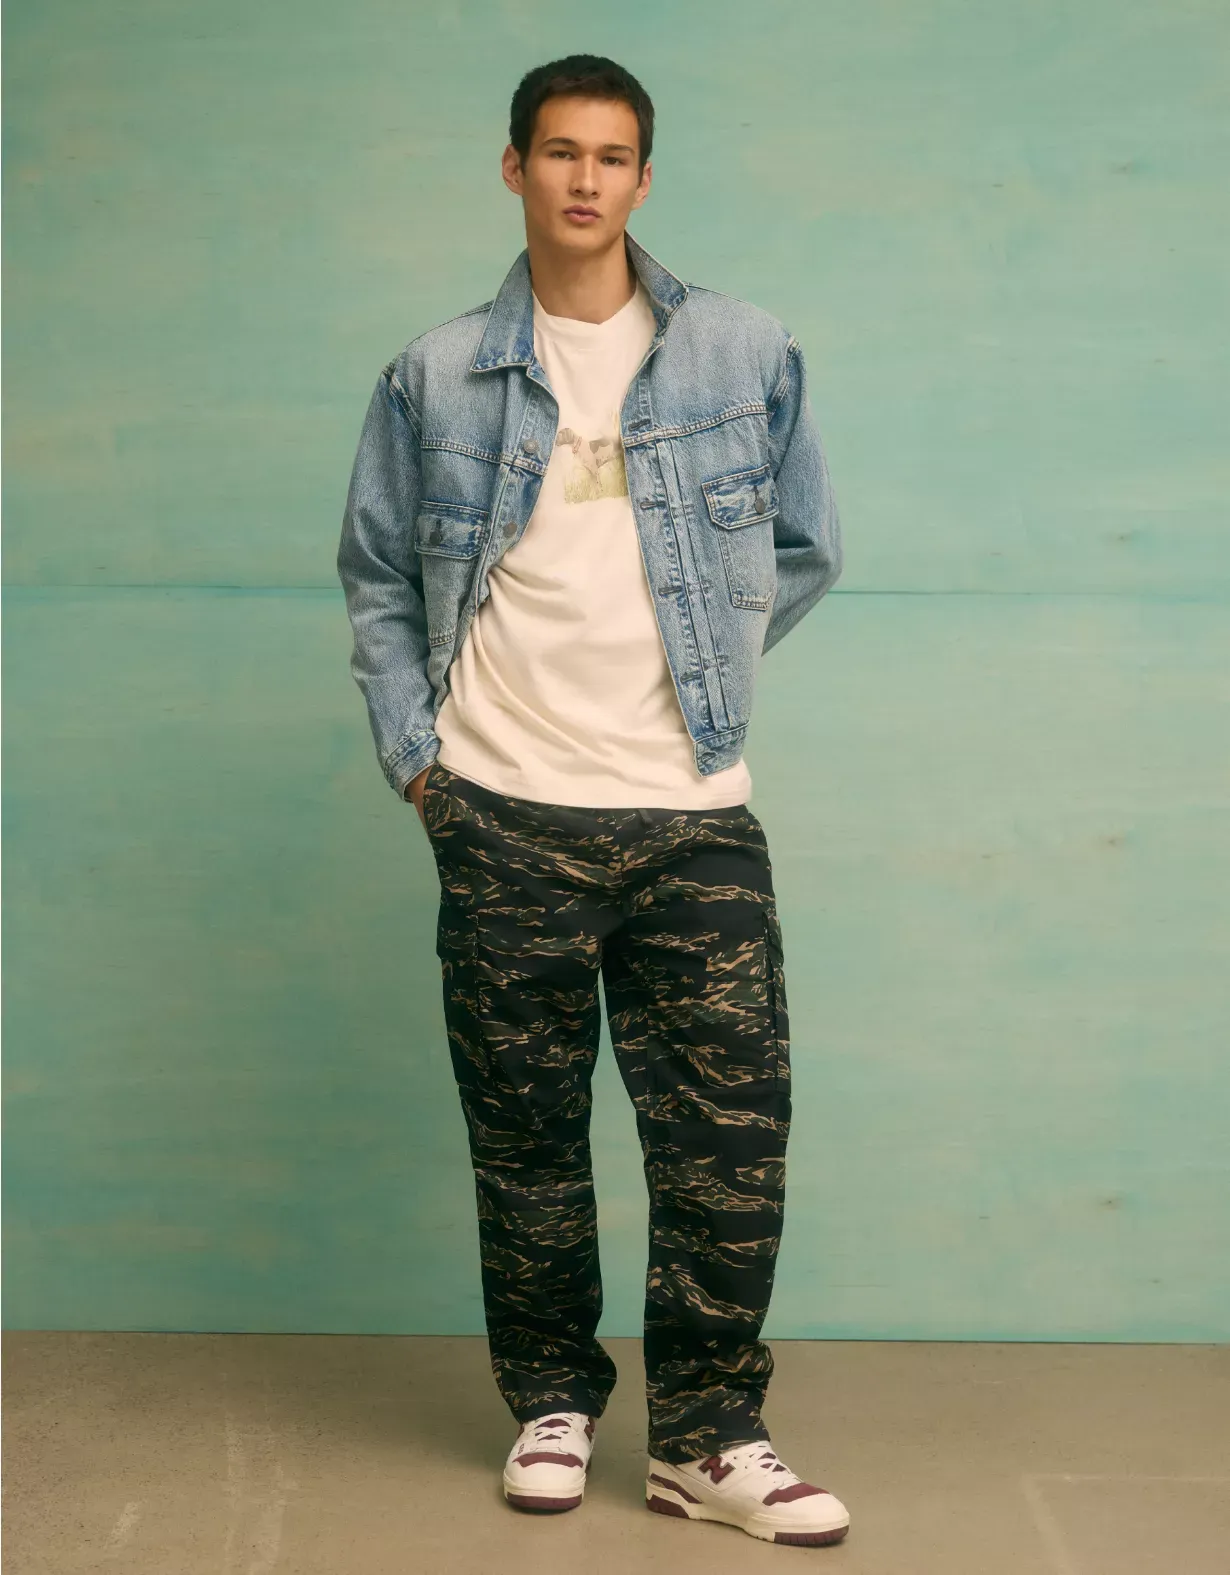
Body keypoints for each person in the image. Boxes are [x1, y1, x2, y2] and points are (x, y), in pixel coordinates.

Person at [336, 54, 848, 1549]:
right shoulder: (435, 374)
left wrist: (701, 677)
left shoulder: (743, 350)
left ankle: (708, 1435)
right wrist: (421, 763)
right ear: (515, 168)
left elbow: (804, 546)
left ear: (641, 178)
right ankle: (552, 1402)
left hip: (692, 814)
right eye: (558, 152)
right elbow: (377, 578)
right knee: (528, 1139)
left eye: (611, 156)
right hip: (501, 808)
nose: (583, 179)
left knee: (729, 1141)